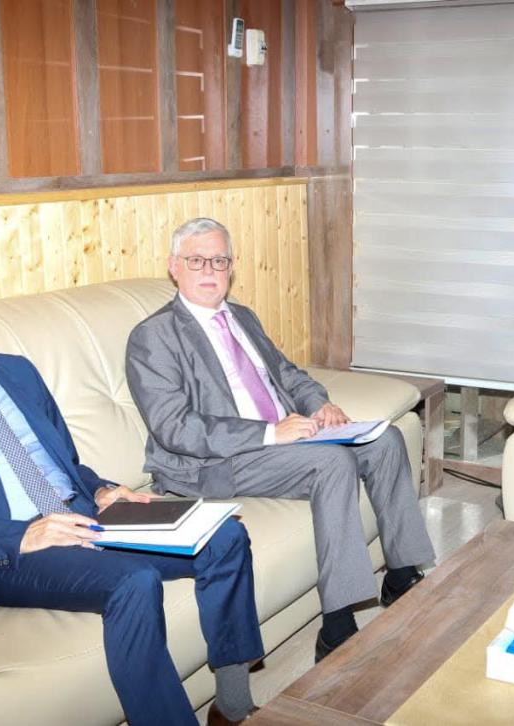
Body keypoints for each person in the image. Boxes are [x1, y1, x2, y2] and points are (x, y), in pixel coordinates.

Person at [0, 249, 263, 726]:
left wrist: (103, 490)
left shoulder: (17, 372)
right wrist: (23, 535)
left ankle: (232, 705)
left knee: (225, 535)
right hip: (8, 551)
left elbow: (64, 465)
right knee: (133, 580)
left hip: (81, 515)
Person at [125, 217, 436, 662]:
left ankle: (401, 574)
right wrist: (271, 432)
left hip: (286, 436)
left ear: (232, 266)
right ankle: (338, 624)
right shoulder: (153, 336)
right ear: (174, 267)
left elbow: (287, 374)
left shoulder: (241, 317)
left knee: (384, 440)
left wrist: (319, 405)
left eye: (219, 260)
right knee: (333, 463)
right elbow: (174, 427)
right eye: (196, 260)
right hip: (216, 460)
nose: (209, 270)